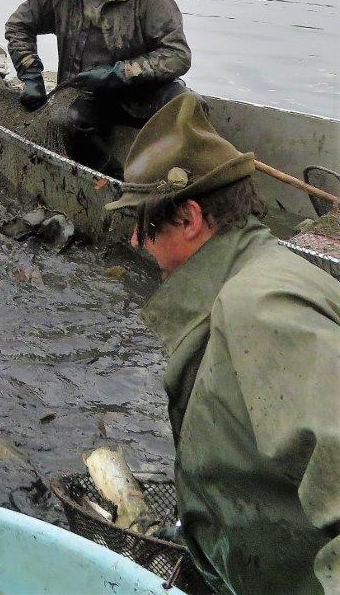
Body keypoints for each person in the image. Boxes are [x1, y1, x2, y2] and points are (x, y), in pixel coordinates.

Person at [105, 93, 340, 595]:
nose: (133, 241)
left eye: (142, 223)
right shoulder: (254, 281)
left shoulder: (261, 309)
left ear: (189, 218)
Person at [5, 0, 191, 173]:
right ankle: (112, 177)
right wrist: (30, 74)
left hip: (140, 92)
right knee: (63, 121)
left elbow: (178, 55)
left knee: (188, 103)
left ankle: (182, 171)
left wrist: (120, 73)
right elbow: (18, 25)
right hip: (82, 95)